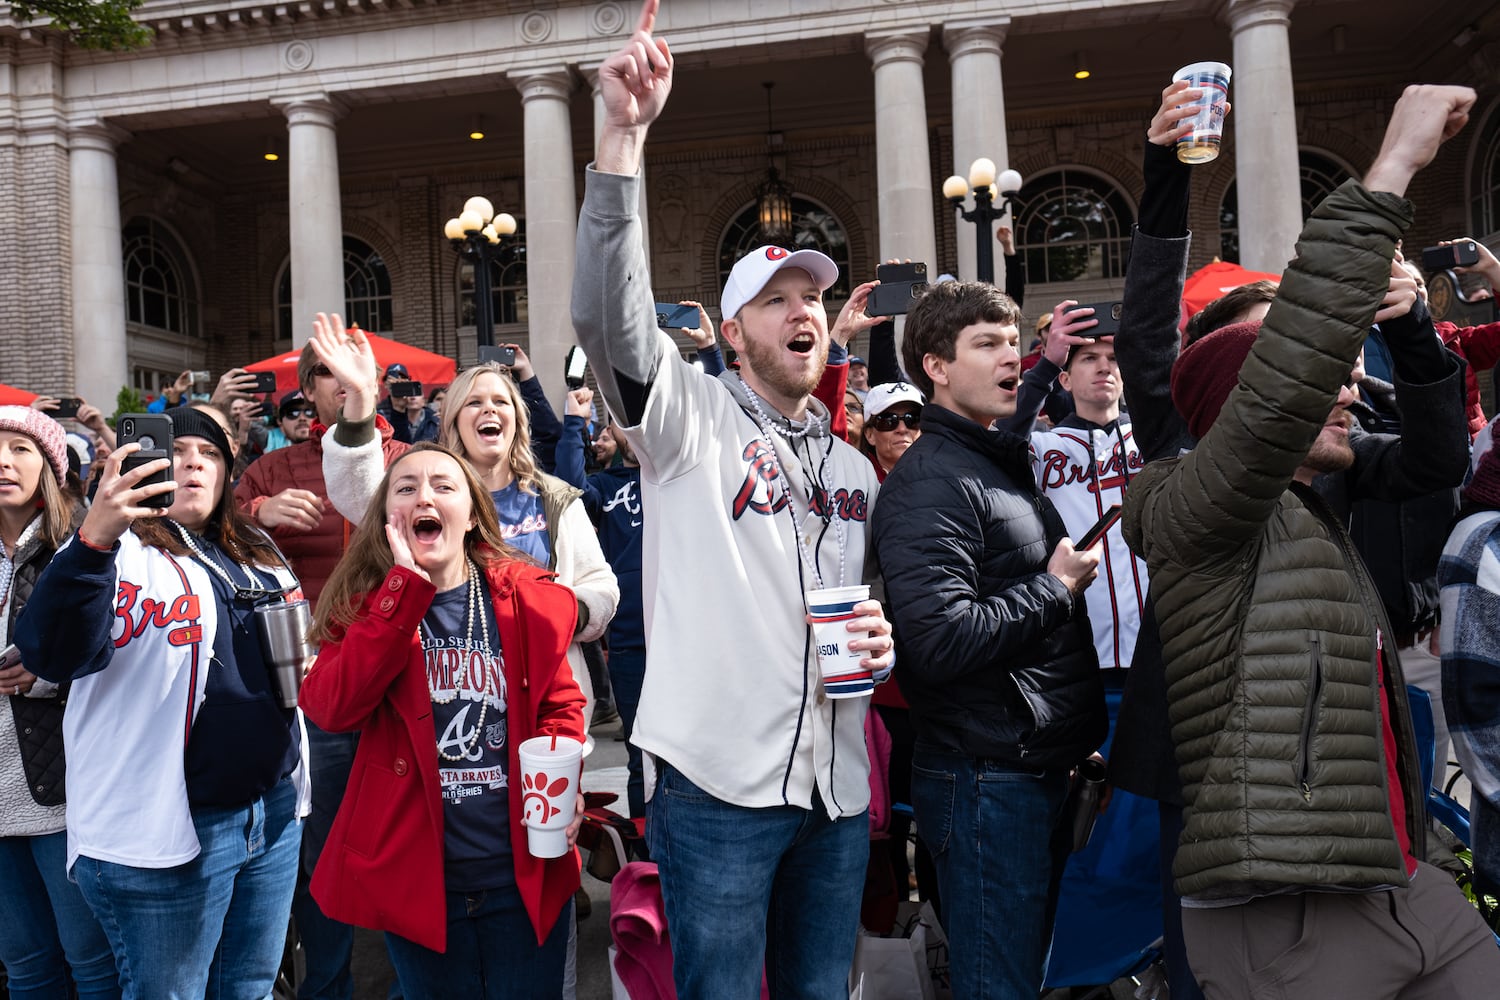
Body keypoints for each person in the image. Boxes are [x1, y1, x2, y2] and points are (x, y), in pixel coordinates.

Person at [1121, 84, 1500, 997]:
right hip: (1274, 882)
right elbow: (1227, 371)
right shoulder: (1190, 490)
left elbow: (1439, 454)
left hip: (1395, 874)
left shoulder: (1324, 480)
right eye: (1315, 371)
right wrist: (1394, 163)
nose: (1344, 389)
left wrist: (1410, 325)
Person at [570, 3, 895, 994]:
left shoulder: (853, 469)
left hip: (836, 785)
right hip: (717, 789)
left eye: (811, 297)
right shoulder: (687, 425)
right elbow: (613, 327)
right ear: (736, 334)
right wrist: (621, 144)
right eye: (774, 300)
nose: (800, 311)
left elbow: (856, 606)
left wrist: (879, 639)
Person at [18, 404, 308, 1000]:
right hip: (167, 830)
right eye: (174, 453)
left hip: (270, 811)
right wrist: (96, 535)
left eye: (210, 456)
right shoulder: (108, 550)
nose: (193, 465)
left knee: (249, 987)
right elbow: (49, 652)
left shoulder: (254, 548)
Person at [871, 279, 1107, 999]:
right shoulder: (929, 482)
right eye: (987, 344)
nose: (1010, 358)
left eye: (1013, 343)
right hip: (984, 783)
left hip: (1024, 768)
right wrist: (1056, 588)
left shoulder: (990, 459)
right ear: (935, 367)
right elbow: (939, 641)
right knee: (994, 985)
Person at [300, 443, 586, 999]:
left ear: (474, 514)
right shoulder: (366, 609)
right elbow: (333, 709)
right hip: (421, 883)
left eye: (443, 486)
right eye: (405, 488)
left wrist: (562, 773)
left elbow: (560, 703)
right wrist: (401, 593)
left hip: (520, 873)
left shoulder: (525, 600)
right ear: (388, 520)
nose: (424, 495)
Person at [314, 326, 619, 721]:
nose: (489, 410)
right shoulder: (426, 493)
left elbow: (601, 587)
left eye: (501, 401)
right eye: (474, 403)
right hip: (443, 696)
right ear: (455, 421)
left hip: (545, 702)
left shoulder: (556, 498)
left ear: (516, 419)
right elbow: (359, 493)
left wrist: (555, 618)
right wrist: (358, 402)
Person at [235, 320, 410, 1000]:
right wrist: (257, 510)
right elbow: (207, 529)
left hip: (399, 678)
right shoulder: (274, 466)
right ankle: (328, 986)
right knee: (325, 847)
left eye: (359, 369)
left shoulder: (408, 459)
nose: (349, 383)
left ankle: (411, 985)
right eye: (333, 371)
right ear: (310, 389)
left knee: (404, 840)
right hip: (315, 686)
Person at [0, 407, 120, 1000]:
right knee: (25, 967)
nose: (3, 461)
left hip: (61, 791)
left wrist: (45, 677)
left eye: (20, 449)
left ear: (50, 466)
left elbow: (117, 652)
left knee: (92, 961)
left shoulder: (82, 548)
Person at [859, 382, 922, 481]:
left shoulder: (943, 475)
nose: (902, 429)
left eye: (912, 419)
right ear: (870, 435)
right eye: (888, 421)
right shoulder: (856, 483)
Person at [378, 363, 440, 445]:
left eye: (403, 379)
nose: (398, 382)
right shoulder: (380, 412)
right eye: (391, 380)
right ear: (386, 384)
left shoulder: (432, 417)